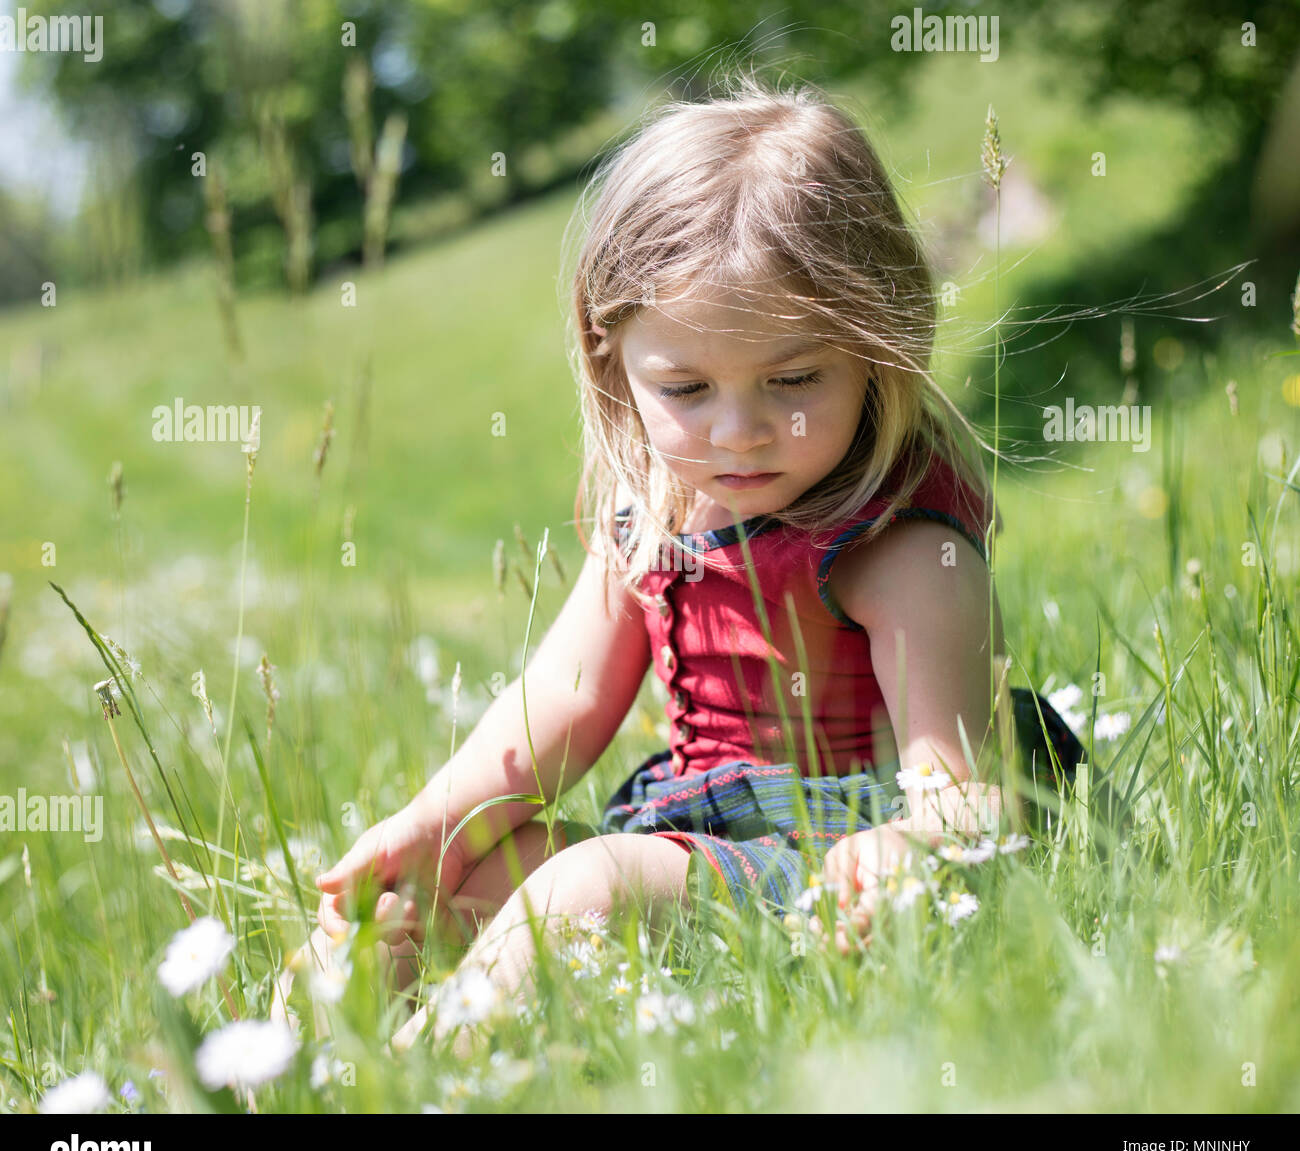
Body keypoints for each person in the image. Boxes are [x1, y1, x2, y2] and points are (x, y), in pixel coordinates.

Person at [287, 72, 1086, 1052]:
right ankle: (314, 1051)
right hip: (700, 845)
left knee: (583, 888)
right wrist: (429, 828)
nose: (740, 430)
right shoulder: (654, 516)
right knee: (466, 872)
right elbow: (568, 696)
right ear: (609, 351)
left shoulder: (897, 545)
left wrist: (907, 848)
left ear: (877, 344)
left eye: (794, 379)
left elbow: (966, 792)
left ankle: (427, 1077)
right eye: (686, 387)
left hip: (824, 875)